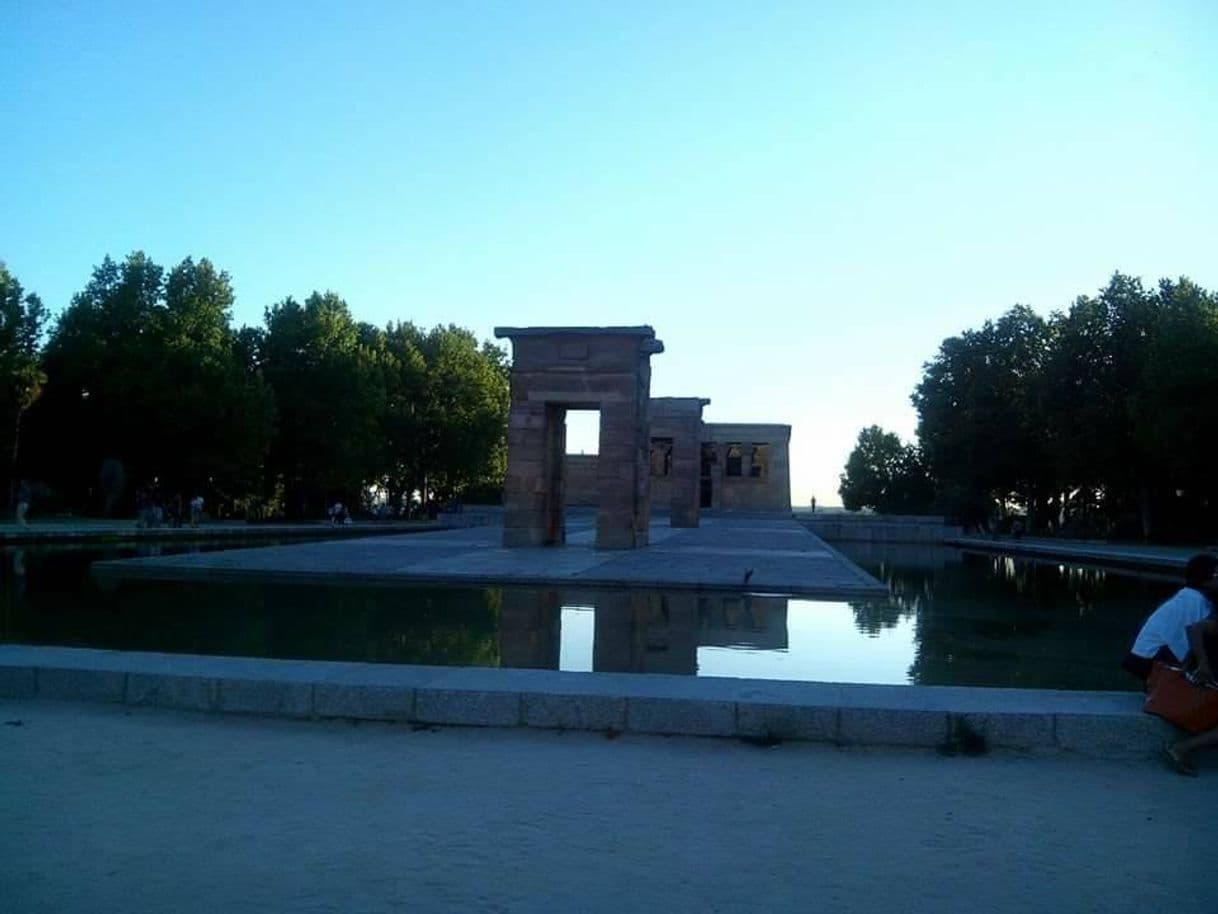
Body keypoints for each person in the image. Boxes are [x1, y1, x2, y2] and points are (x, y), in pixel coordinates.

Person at [1122, 552, 1218, 684]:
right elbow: (1193, 635)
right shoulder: (1196, 601)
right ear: (1206, 579)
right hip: (1150, 657)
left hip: (1140, 656)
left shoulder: (1188, 596)